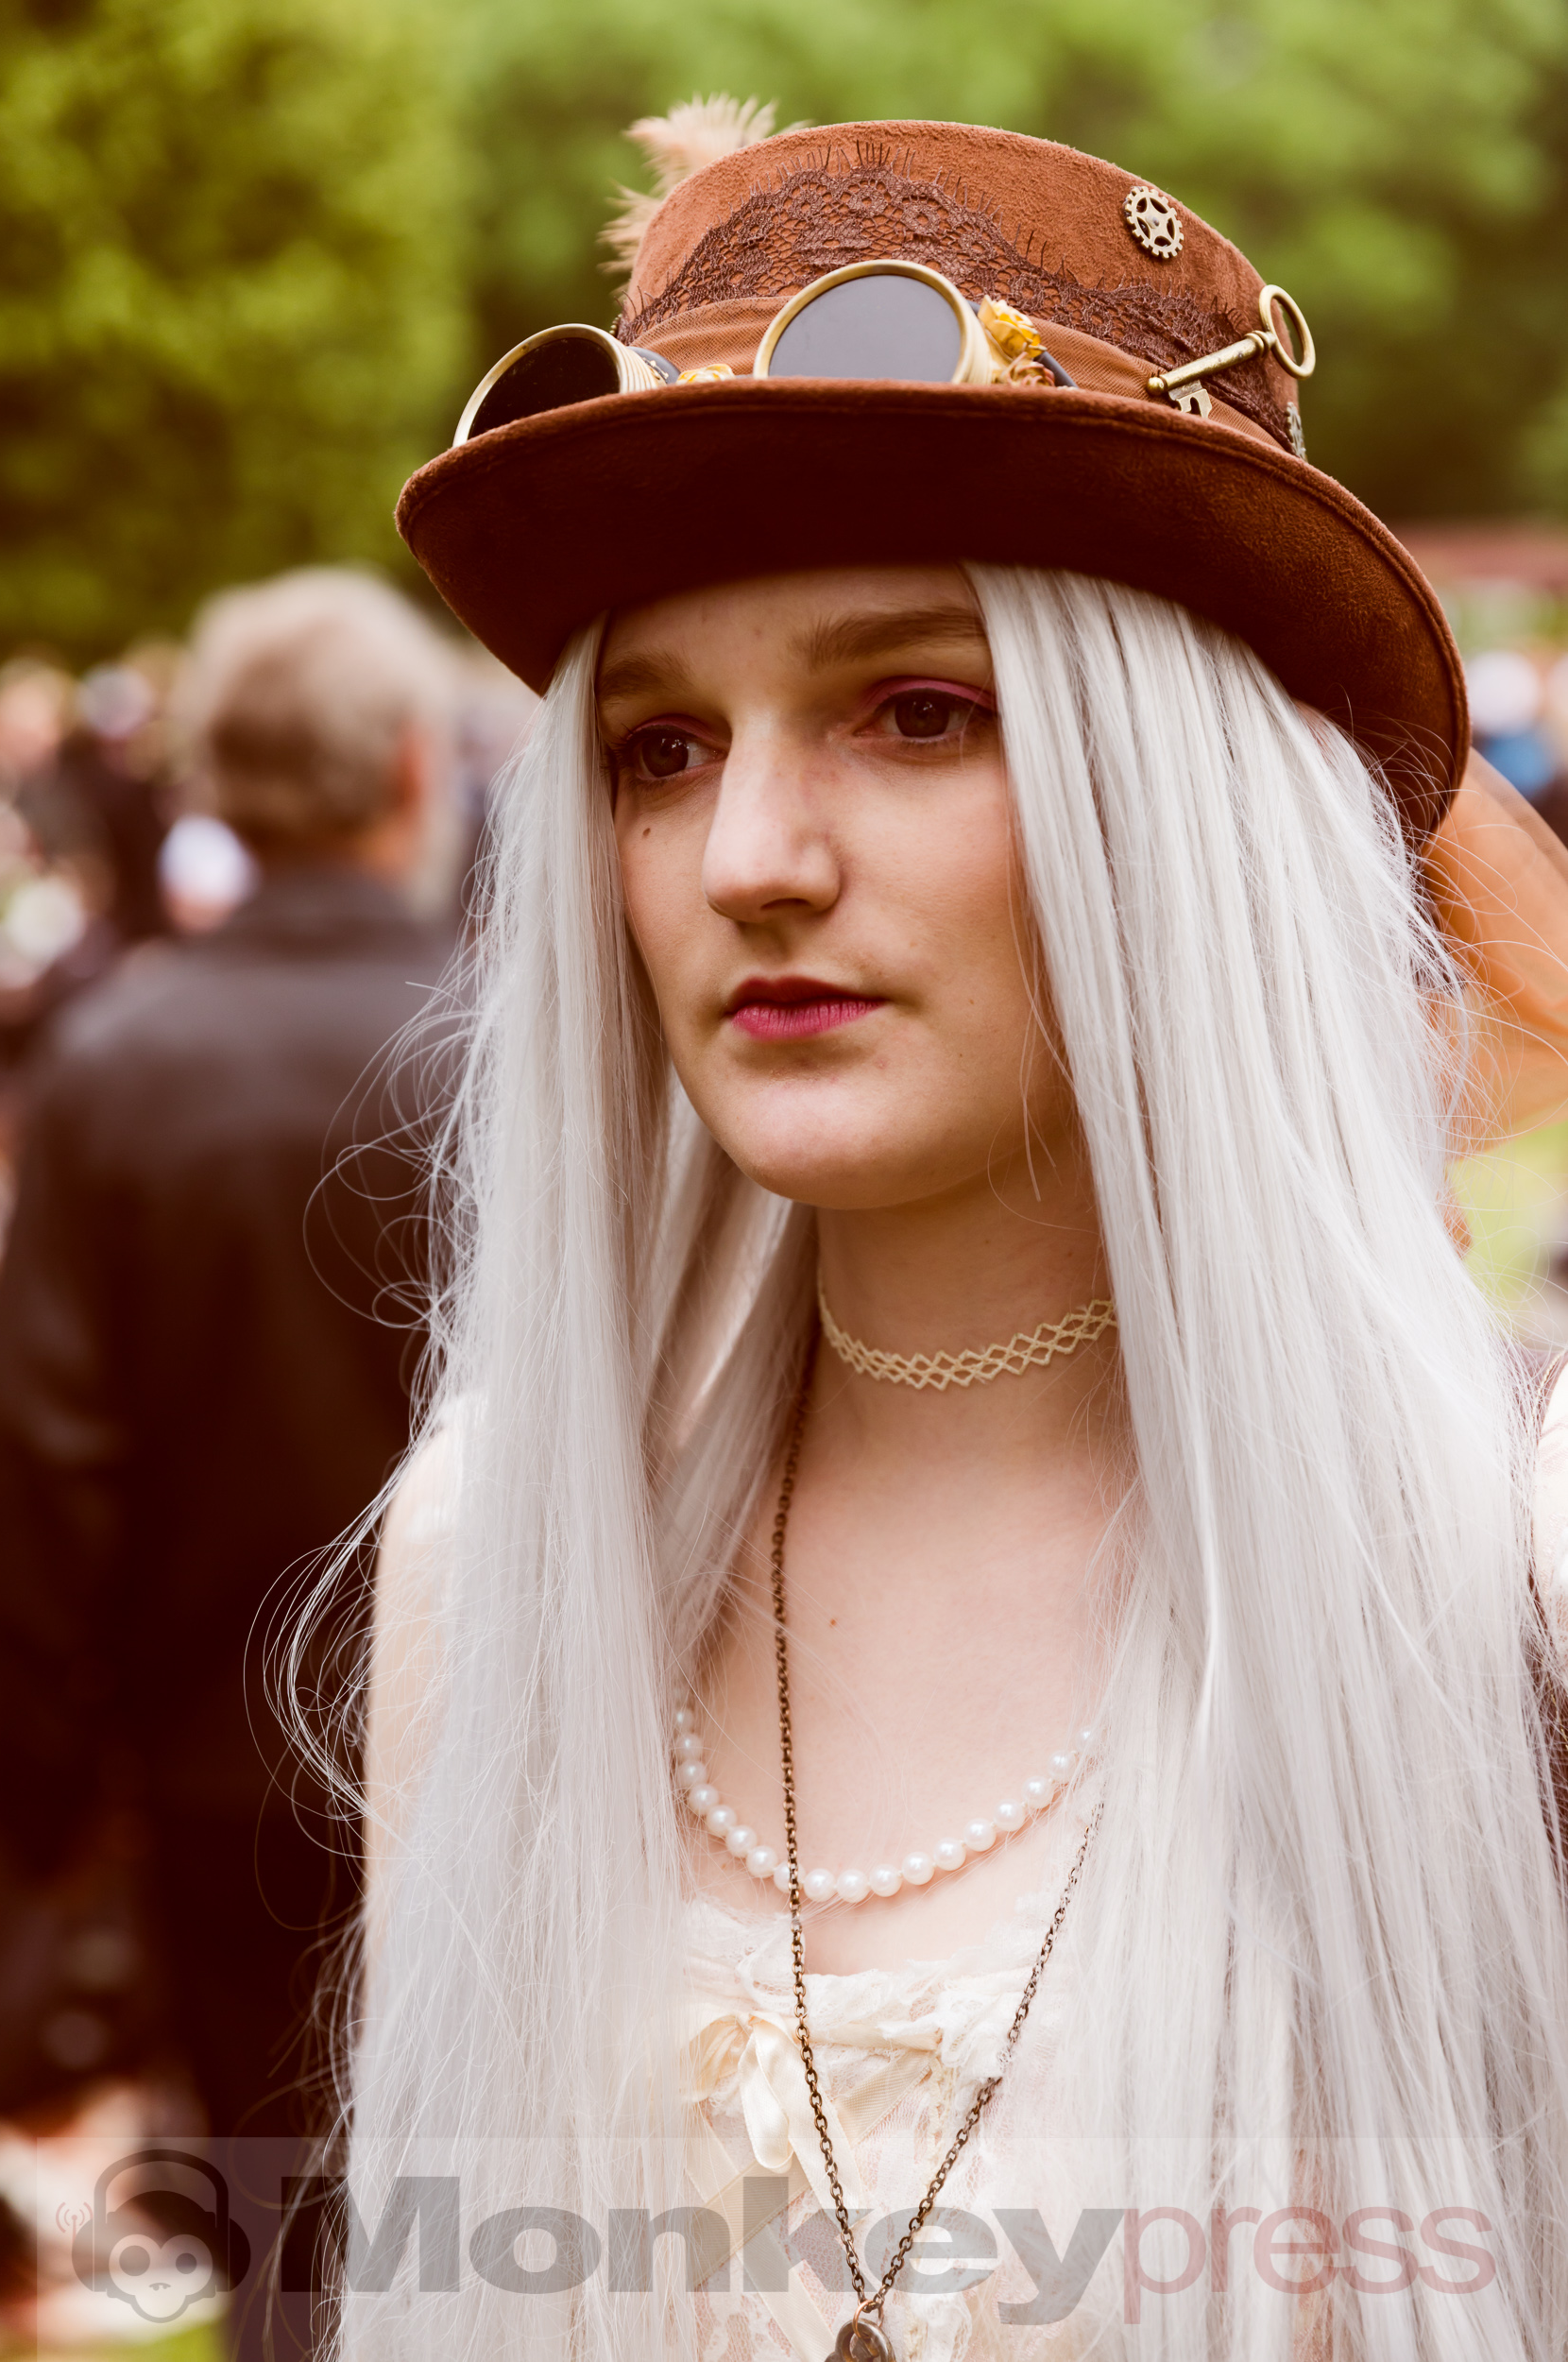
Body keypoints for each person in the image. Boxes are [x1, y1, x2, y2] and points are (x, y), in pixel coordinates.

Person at [343, 110, 1568, 2362]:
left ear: (1173, 792)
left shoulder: (1510, 1573)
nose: (752, 855)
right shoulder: (493, 1547)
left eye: (918, 711)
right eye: (658, 746)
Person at [0, 569, 456, 2160]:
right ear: (412, 765)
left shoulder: (116, 1062)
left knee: (273, 2213)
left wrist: (47, 1799)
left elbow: (43, 1460)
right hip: (509, 1755)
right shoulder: (505, 1040)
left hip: (215, 1777)